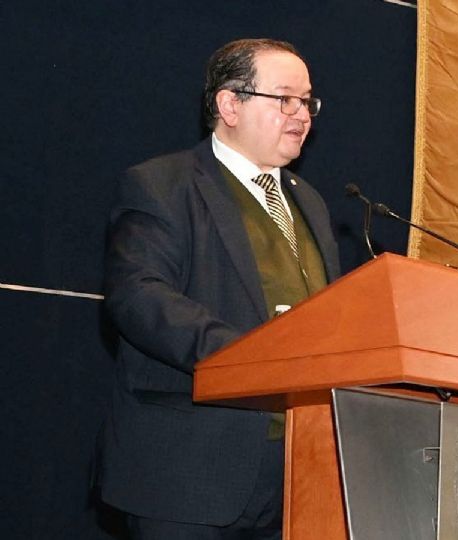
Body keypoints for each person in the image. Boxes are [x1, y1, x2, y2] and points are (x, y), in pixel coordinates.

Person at [98, 38, 340, 539]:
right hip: (189, 469)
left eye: (307, 101)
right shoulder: (163, 184)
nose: (301, 114)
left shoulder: (310, 202)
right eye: (284, 99)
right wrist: (252, 357)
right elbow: (139, 297)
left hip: (297, 471)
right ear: (229, 104)